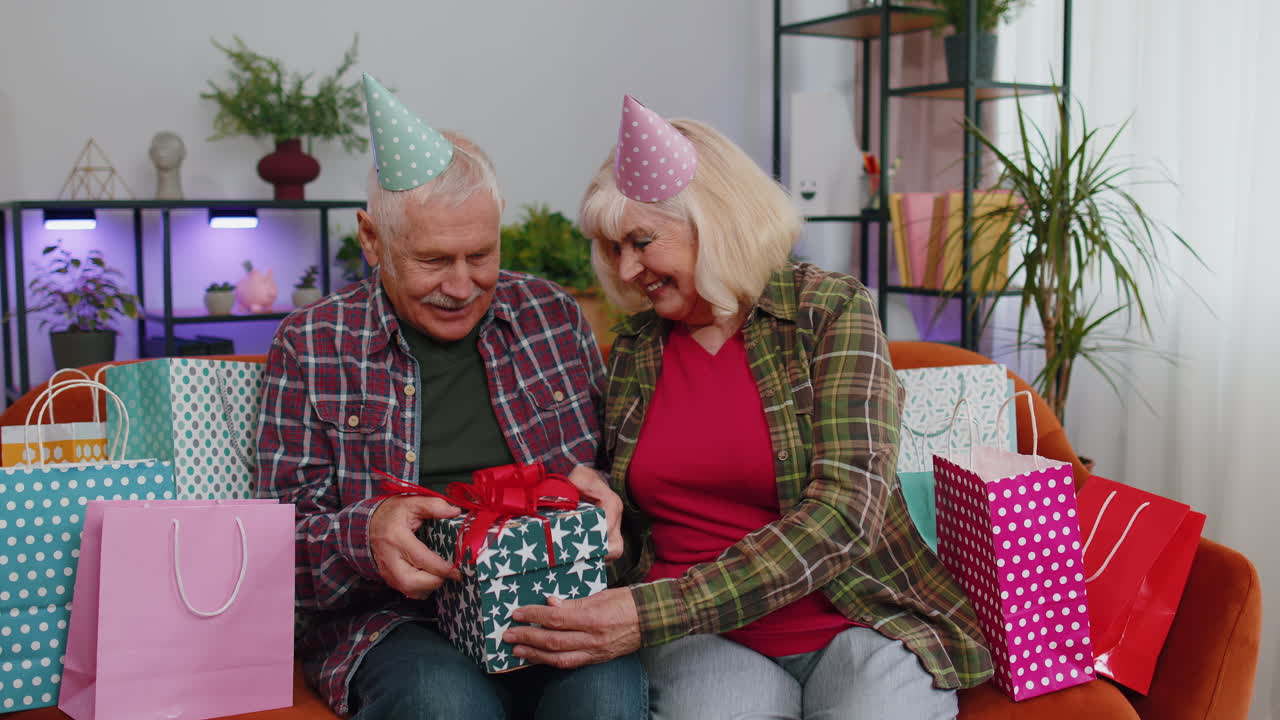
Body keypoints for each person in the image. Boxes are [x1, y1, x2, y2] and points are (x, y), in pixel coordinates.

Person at [502, 95, 994, 719]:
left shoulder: (829, 311)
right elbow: (635, 492)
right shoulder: (635, 349)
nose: (626, 270)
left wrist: (651, 611)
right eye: (613, 248)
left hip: (857, 618)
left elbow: (846, 512)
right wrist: (595, 494)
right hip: (700, 640)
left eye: (641, 241)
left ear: (714, 220)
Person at [255, 74, 646, 720]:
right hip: (391, 622)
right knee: (445, 704)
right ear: (372, 239)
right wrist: (366, 533)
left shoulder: (553, 316)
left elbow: (622, 483)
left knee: (608, 698)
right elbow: (273, 550)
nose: (462, 286)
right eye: (434, 261)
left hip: (556, 600)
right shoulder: (311, 343)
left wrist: (606, 500)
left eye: (481, 255)